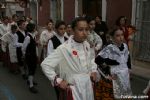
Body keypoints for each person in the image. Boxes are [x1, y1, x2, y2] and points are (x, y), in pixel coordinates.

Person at [41, 17, 98, 100]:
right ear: (73, 30)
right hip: (74, 89)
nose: (85, 33)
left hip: (87, 86)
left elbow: (91, 59)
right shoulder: (64, 48)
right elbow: (45, 65)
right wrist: (58, 80)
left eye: (86, 29)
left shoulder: (86, 45)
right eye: (81, 30)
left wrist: (93, 70)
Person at [95, 28, 132, 99]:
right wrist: (107, 72)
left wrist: (129, 69)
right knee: (114, 95)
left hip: (124, 75)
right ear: (112, 37)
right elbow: (98, 60)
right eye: (118, 35)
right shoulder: (109, 48)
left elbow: (128, 57)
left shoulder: (125, 46)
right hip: (114, 76)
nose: (121, 37)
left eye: (122, 35)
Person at [22, 23, 38, 93]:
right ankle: (31, 86)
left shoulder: (32, 35)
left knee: (33, 69)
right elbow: (23, 48)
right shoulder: (28, 37)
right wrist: (25, 55)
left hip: (33, 55)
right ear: (32, 28)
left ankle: (29, 80)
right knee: (31, 70)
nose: (35, 28)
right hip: (30, 56)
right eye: (34, 27)